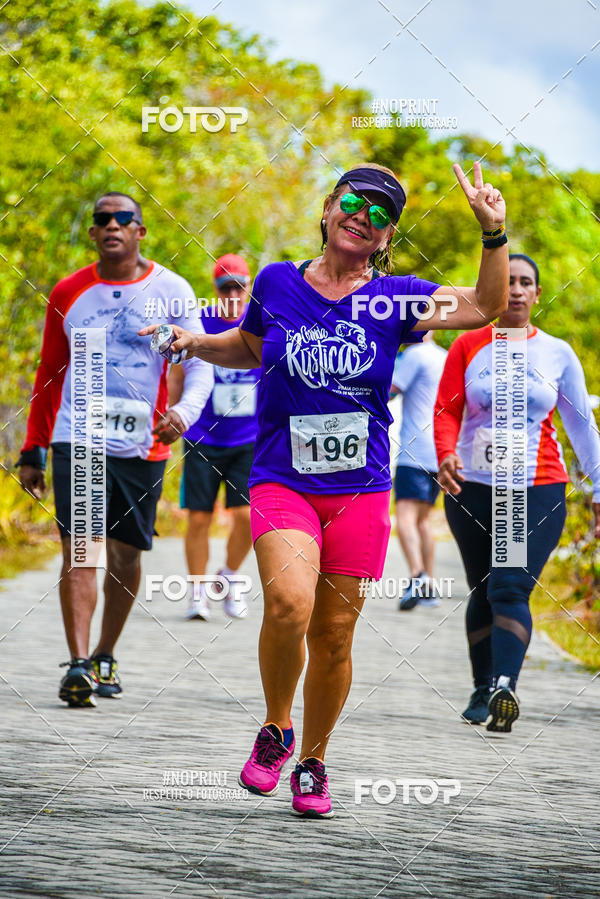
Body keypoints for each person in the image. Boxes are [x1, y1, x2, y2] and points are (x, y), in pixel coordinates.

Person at [141, 160, 509, 817]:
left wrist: (492, 232)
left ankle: (313, 760)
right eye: (352, 202)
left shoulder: (395, 299)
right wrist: (193, 342)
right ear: (329, 207)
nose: (360, 217)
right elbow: (252, 346)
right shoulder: (278, 281)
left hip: (361, 487)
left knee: (335, 636)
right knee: (289, 602)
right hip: (282, 475)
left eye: (378, 214)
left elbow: (486, 304)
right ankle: (276, 727)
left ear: (386, 234)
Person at [17, 192, 213, 707]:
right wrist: (33, 446)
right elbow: (48, 373)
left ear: (140, 231)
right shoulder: (69, 291)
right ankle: (78, 664)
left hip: (141, 445)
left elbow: (200, 365)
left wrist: (184, 415)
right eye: (102, 219)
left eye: (123, 219)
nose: (112, 226)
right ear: (93, 233)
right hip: (76, 438)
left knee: (125, 556)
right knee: (80, 550)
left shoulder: (172, 290)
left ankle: (106, 651)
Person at [435, 253, 600, 732]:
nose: (514, 290)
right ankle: (482, 687)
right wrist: (445, 454)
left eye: (525, 282)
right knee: (485, 588)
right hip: (472, 485)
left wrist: (598, 489)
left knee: (510, 584)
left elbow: (581, 425)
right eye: (506, 281)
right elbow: (446, 410)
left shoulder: (557, 353)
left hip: (536, 484)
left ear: (537, 293)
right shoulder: (467, 345)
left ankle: (505, 685)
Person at [168, 254, 259, 621]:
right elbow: (177, 374)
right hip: (204, 437)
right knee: (200, 519)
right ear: (215, 289)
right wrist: (174, 416)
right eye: (226, 288)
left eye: (240, 287)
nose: (234, 294)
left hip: (249, 438)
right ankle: (197, 593)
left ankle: (230, 576)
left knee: (248, 517)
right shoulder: (199, 323)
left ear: (250, 287)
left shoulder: (259, 322)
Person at [390, 331, 447, 610]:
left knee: (405, 517)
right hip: (440, 451)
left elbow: (388, 392)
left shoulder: (414, 356)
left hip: (414, 450)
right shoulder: (445, 357)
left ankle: (416, 575)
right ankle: (429, 586)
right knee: (423, 520)